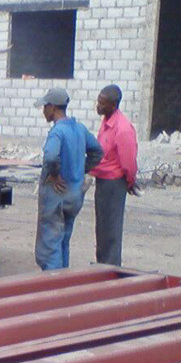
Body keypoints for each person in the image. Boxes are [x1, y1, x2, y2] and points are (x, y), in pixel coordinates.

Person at [35, 87, 104, 271]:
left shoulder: (57, 132)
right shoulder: (79, 128)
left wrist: (54, 174)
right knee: (64, 241)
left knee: (50, 246)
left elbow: (51, 156)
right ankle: (63, 280)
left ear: (52, 107)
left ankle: (52, 283)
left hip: (56, 198)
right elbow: (97, 152)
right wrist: (80, 170)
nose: (43, 111)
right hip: (74, 196)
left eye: (45, 107)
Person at [90, 84, 138, 266]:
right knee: (102, 228)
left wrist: (130, 181)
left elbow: (129, 161)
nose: (98, 106)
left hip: (114, 183)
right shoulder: (106, 122)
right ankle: (102, 265)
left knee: (111, 229)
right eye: (98, 101)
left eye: (102, 103)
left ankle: (111, 267)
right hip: (102, 181)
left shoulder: (123, 128)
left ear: (113, 105)